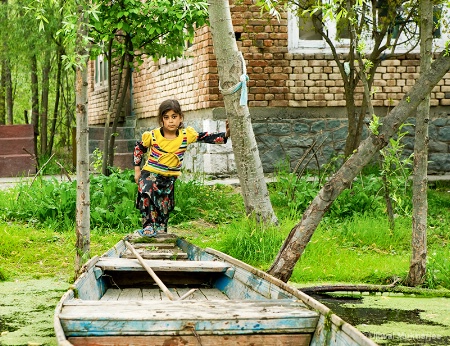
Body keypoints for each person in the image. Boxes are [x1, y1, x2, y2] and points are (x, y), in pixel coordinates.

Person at [133, 99, 230, 237]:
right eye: (166, 118)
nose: (171, 121)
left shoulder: (186, 135)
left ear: (180, 118)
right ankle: (148, 225)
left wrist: (225, 135)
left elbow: (205, 137)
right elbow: (139, 148)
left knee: (164, 204)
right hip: (150, 173)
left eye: (174, 117)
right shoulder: (153, 136)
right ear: (162, 120)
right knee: (146, 193)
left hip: (169, 178)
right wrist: (137, 169)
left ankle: (160, 230)